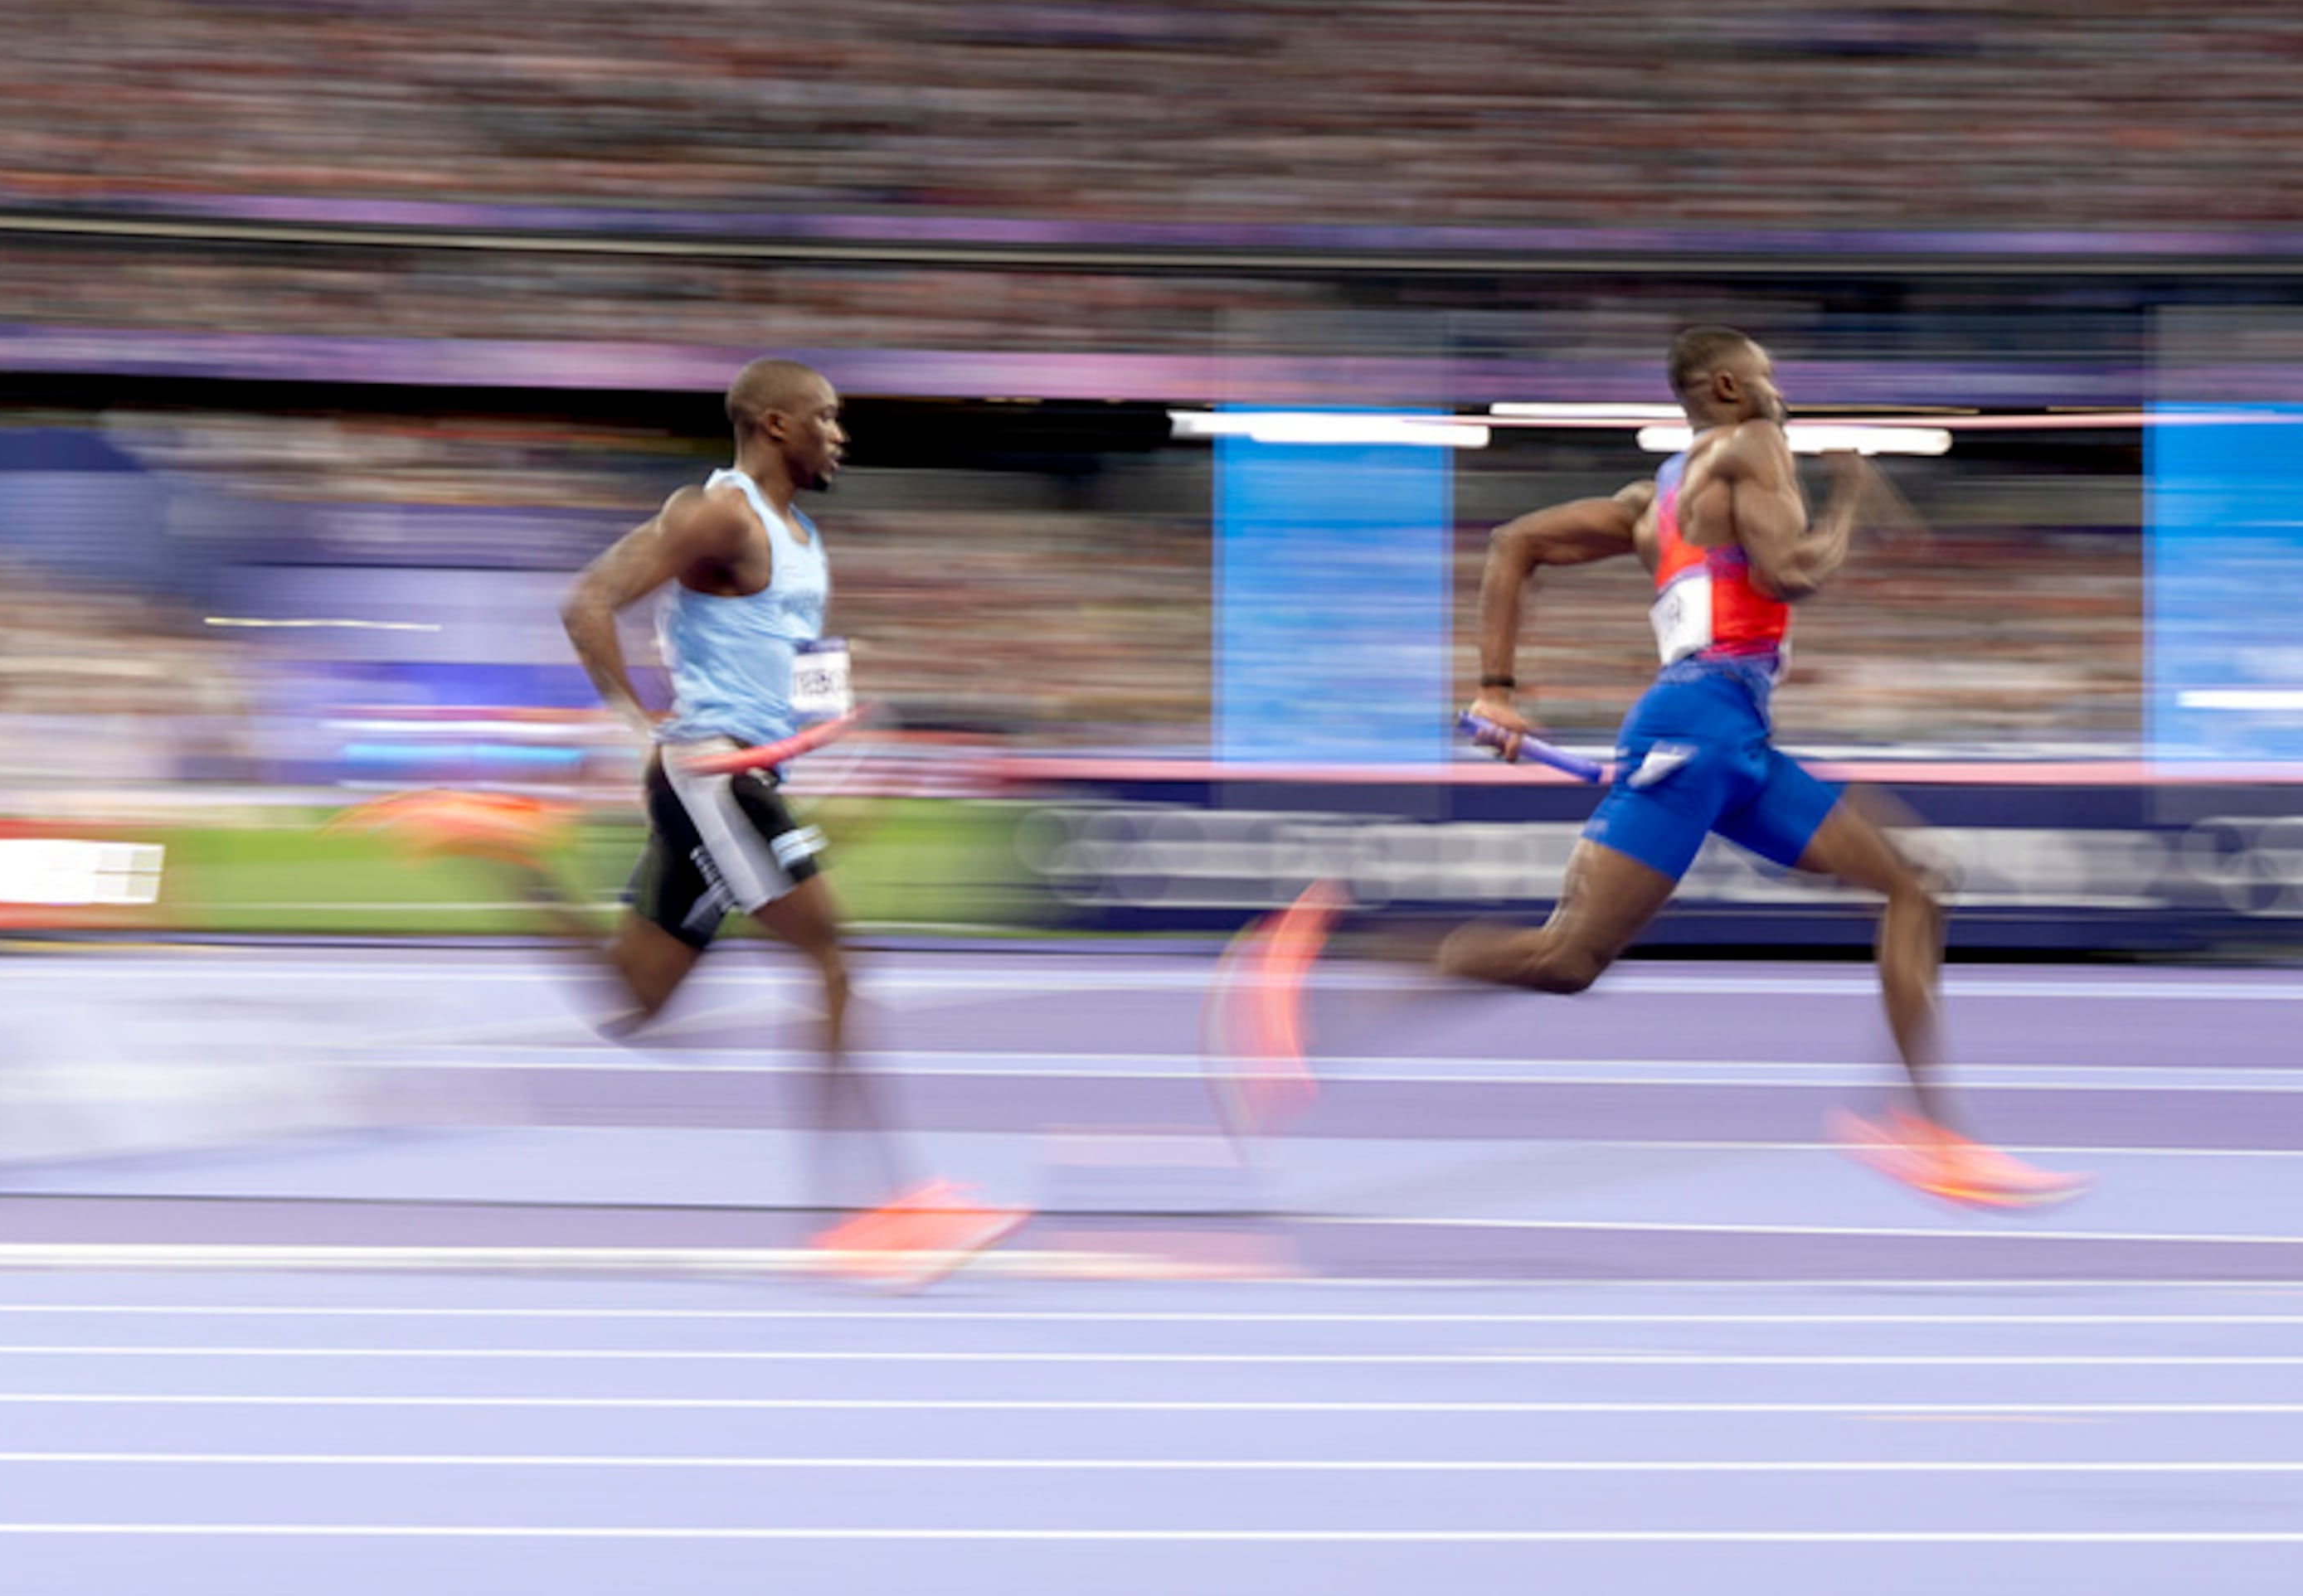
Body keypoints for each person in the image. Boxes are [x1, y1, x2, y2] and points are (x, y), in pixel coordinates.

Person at [1213, 325, 2085, 1210]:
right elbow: (1788, 574)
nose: (1779, 391)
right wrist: (1851, 495)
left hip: (1730, 734)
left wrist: (1499, 687)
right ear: (1726, 387)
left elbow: (1514, 542)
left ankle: (1927, 1130)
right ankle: (1320, 969)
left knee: (1912, 883)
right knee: (1565, 957)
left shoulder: (1652, 497)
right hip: (1697, 734)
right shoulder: (1753, 446)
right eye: (1766, 375)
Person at [353, 358, 1023, 1283]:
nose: (843, 434)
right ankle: (872, 1209)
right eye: (828, 418)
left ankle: (506, 848)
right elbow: (586, 600)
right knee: (834, 961)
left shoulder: (802, 535)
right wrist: (638, 729)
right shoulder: (718, 513)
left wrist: (834, 721)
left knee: (638, 1001)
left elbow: (795, 662)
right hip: (712, 774)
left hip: (742, 777)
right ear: (777, 423)